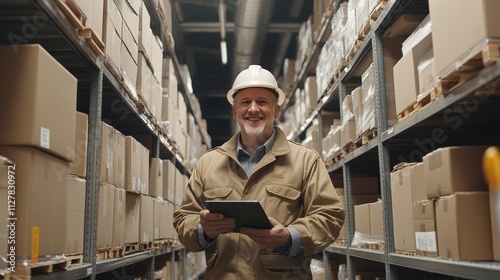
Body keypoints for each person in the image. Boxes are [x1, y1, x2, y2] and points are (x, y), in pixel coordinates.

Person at [173, 65, 345, 279]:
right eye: (245, 102)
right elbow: (183, 218)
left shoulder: (305, 160)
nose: (253, 109)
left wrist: (289, 237)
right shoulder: (208, 163)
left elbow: (329, 216)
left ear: (276, 110)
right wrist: (204, 230)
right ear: (235, 111)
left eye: (262, 102)